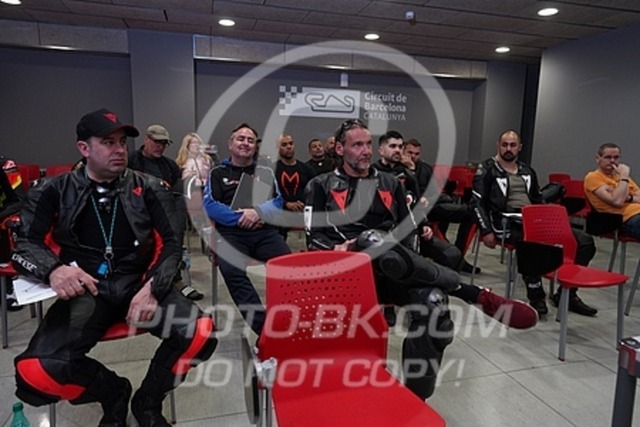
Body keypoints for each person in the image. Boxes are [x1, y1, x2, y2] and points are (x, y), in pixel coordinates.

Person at [11, 108, 217, 427]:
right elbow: (25, 244)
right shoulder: (53, 189)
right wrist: (54, 270)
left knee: (200, 332)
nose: (120, 149)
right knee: (36, 371)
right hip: (86, 291)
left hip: (140, 282)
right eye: (108, 142)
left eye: (122, 142)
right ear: (84, 148)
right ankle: (113, 392)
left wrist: (153, 288)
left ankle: (147, 402)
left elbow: (172, 245)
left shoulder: (151, 187)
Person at [305, 119, 537, 400]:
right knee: (369, 239)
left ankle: (415, 399)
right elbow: (313, 238)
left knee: (434, 303)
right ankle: (469, 291)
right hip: (346, 274)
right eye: (357, 145)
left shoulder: (391, 182)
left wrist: (402, 257)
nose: (365, 151)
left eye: (368, 144)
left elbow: (408, 230)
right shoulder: (319, 185)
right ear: (340, 149)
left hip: (389, 270)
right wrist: (339, 248)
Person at [471, 129, 597, 316]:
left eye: (513, 145)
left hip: (533, 219)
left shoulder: (527, 171)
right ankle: (536, 295)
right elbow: (477, 202)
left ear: (519, 147)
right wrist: (486, 230)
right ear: (498, 145)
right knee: (530, 242)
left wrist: (551, 220)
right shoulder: (487, 169)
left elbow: (538, 200)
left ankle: (567, 294)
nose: (508, 149)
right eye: (504, 145)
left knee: (585, 241)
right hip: (505, 222)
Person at [203, 123, 291, 334]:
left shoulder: (265, 171)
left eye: (250, 140)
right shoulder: (217, 173)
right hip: (230, 233)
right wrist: (242, 217)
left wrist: (257, 213)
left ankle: (287, 321)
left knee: (289, 268)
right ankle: (264, 330)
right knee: (232, 271)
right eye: (240, 139)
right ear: (230, 143)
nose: (245, 143)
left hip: (264, 231)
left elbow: (278, 202)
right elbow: (210, 205)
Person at [128, 125, 203, 301]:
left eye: (164, 143)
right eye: (157, 142)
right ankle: (155, 279)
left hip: (165, 212)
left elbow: (179, 190)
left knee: (177, 216)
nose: (160, 147)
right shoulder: (131, 161)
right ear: (146, 140)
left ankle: (173, 278)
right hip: (136, 211)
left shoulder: (169, 165)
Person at [402, 138, 478, 273]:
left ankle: (458, 256)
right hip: (412, 210)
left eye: (416, 154)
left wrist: (428, 199)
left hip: (431, 206)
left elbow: (434, 192)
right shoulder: (398, 169)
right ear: (403, 152)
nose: (413, 156)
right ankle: (451, 257)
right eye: (410, 153)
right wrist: (411, 170)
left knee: (471, 213)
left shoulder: (425, 168)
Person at [584, 143, 640, 238]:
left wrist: (628, 198)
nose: (612, 161)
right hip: (624, 219)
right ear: (598, 158)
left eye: (616, 157)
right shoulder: (593, 177)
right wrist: (624, 177)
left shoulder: (620, 177)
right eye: (608, 157)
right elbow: (617, 202)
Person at [274, 134, 315, 239]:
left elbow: (313, 192)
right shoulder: (272, 170)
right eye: (284, 145)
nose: (289, 147)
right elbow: (269, 194)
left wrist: (305, 203)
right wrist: (286, 204)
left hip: (303, 213)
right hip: (280, 216)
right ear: (277, 148)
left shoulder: (306, 169)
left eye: (291, 144)